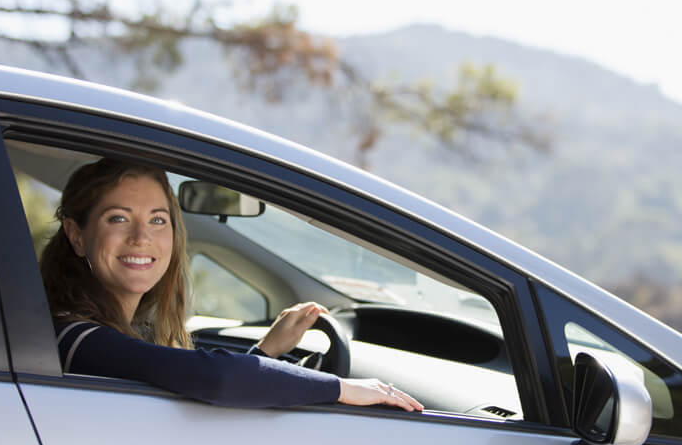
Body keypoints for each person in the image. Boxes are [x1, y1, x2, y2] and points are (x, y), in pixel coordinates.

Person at [40, 158, 422, 411]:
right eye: (119, 219)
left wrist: (265, 352)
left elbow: (193, 384)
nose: (142, 237)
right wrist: (342, 388)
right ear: (76, 235)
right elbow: (217, 378)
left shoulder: (111, 335)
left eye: (158, 220)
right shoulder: (77, 339)